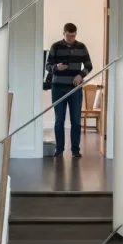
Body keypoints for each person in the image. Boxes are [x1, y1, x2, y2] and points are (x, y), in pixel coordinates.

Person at [46, 23, 92, 158]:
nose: (71, 38)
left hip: (75, 89)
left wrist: (81, 75)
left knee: (76, 121)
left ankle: (75, 151)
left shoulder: (81, 47)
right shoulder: (55, 46)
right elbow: (48, 66)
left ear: (76, 34)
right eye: (68, 36)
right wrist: (57, 67)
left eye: (73, 36)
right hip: (58, 88)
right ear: (64, 33)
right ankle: (59, 150)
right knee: (59, 120)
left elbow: (89, 65)